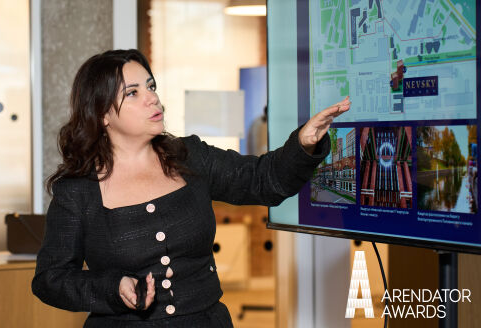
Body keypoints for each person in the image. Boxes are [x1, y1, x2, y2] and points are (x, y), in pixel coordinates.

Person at [31, 49, 351, 327]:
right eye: (133, 93)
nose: (152, 97)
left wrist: (303, 144)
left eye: (151, 86)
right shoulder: (77, 190)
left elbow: (263, 180)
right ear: (102, 114)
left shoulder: (190, 156)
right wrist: (112, 288)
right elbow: (51, 279)